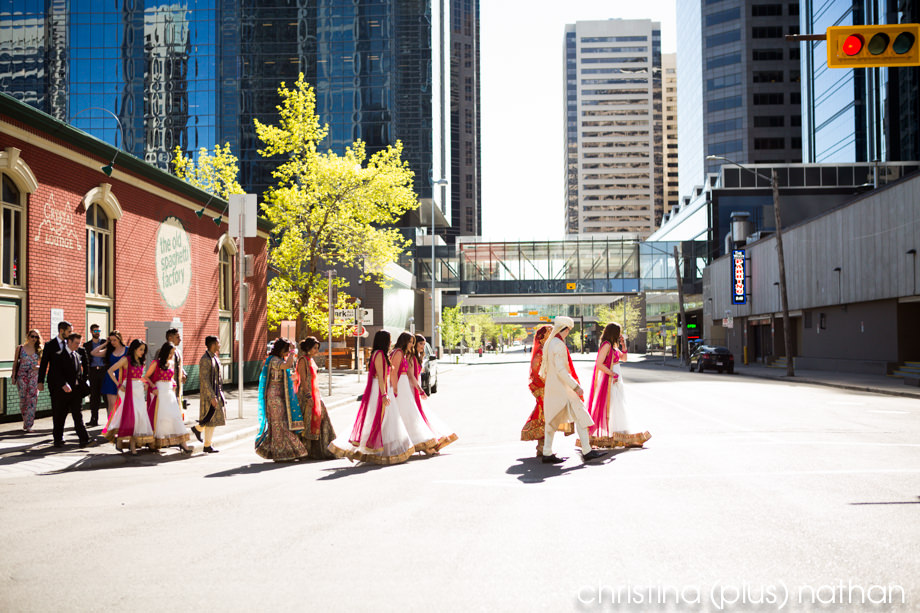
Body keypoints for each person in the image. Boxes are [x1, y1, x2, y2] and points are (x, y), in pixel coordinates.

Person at [328, 330, 414, 465]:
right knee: (374, 420)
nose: (391, 342)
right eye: (389, 339)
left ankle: (382, 450)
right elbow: (380, 376)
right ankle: (351, 449)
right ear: (384, 341)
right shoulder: (378, 354)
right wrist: (384, 394)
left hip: (383, 388)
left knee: (385, 420)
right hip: (380, 389)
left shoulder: (381, 354)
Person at [539, 316, 606, 464]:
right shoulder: (558, 345)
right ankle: (587, 451)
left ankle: (548, 452)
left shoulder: (550, 343)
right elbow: (562, 370)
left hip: (554, 387)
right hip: (564, 388)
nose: (569, 332)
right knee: (580, 415)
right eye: (569, 329)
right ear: (566, 329)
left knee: (553, 419)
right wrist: (576, 386)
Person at [586, 323, 651, 449]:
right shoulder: (606, 345)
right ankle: (614, 434)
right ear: (614, 333)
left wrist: (624, 345)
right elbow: (599, 364)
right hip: (610, 379)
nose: (620, 334)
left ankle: (619, 434)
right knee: (613, 405)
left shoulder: (613, 347)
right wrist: (612, 374)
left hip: (616, 378)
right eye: (619, 332)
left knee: (618, 404)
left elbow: (624, 359)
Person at [521, 324, 573, 457]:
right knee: (546, 416)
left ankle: (543, 446)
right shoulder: (540, 352)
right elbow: (536, 371)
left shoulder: (548, 349)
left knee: (549, 415)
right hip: (544, 388)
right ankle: (543, 446)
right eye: (550, 333)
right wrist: (548, 382)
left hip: (550, 387)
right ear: (543, 337)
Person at [255, 338, 311, 461]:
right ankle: (281, 452)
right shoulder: (274, 360)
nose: (287, 353)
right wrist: (292, 351)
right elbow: (287, 365)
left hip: (281, 394)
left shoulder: (278, 360)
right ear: (281, 349)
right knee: (279, 424)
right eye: (285, 350)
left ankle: (283, 451)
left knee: (283, 423)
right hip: (274, 397)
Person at [390, 332, 438, 455]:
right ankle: (419, 444)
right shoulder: (400, 353)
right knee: (410, 415)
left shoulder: (406, 354)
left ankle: (418, 444)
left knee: (410, 415)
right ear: (405, 342)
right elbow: (395, 372)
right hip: (403, 387)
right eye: (411, 342)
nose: (413, 344)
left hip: (405, 386)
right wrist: (395, 389)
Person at [104, 339, 154, 455]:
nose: (142, 352)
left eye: (144, 350)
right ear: (134, 349)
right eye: (140, 349)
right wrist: (118, 384)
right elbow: (110, 370)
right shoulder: (126, 360)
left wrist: (145, 383)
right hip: (127, 390)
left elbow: (139, 376)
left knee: (139, 415)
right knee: (132, 415)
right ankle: (132, 445)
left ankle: (128, 442)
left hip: (139, 390)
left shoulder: (141, 361)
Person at [412, 334, 457, 452]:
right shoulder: (411, 356)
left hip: (417, 387)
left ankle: (429, 442)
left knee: (421, 415)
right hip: (412, 389)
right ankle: (426, 442)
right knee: (419, 415)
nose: (423, 346)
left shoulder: (420, 356)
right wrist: (419, 388)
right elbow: (410, 375)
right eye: (421, 344)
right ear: (415, 344)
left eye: (424, 344)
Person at [145, 342, 191, 453]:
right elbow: (146, 377)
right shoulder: (155, 363)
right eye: (170, 353)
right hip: (160, 393)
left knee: (175, 417)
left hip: (170, 392)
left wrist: (174, 384)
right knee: (161, 419)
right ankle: (155, 442)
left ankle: (183, 443)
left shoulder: (171, 363)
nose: (171, 355)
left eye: (173, 353)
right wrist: (153, 386)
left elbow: (171, 378)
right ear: (165, 352)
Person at [295, 337, 337, 460]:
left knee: (322, 419)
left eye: (317, 348)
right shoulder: (303, 360)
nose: (316, 350)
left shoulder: (311, 360)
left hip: (315, 394)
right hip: (306, 395)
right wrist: (308, 396)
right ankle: (305, 451)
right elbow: (303, 380)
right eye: (315, 348)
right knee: (306, 422)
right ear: (308, 348)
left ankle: (322, 449)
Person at [51, 333, 92, 448]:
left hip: (76, 391)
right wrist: (63, 384)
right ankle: (58, 439)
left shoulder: (77, 355)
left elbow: (80, 372)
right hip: (63, 392)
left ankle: (84, 439)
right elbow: (55, 373)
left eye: (79, 343)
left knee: (78, 415)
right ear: (69, 341)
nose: (77, 346)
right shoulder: (59, 355)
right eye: (76, 343)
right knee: (60, 416)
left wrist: (84, 382)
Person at [37, 320, 72, 444]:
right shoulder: (50, 345)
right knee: (57, 409)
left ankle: (59, 433)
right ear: (61, 331)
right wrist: (40, 381)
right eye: (69, 331)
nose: (70, 334)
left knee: (65, 410)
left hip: (68, 383)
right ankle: (58, 437)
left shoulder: (70, 344)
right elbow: (44, 364)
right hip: (54, 383)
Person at [191, 336, 226, 453]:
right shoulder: (205, 359)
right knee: (209, 417)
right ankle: (201, 435)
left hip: (217, 392)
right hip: (209, 394)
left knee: (212, 419)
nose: (220, 345)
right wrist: (212, 396)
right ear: (213, 344)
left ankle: (205, 442)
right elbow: (204, 379)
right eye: (218, 343)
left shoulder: (214, 357)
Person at [92, 330, 127, 421]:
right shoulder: (109, 350)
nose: (112, 342)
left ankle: (120, 425)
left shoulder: (128, 350)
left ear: (119, 339)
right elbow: (93, 353)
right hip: (111, 379)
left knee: (122, 403)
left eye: (114, 340)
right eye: (111, 340)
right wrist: (105, 343)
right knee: (112, 404)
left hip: (123, 379)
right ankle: (110, 427)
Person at [12, 329, 42, 432]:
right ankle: (25, 420)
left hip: (34, 376)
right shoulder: (20, 348)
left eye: (36, 337)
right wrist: (13, 376)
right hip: (22, 376)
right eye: (32, 336)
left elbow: (45, 364)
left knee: (32, 399)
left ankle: (29, 424)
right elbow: (15, 362)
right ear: (28, 336)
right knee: (23, 400)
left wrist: (38, 367)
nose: (34, 339)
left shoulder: (39, 349)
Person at [82, 324, 106, 427]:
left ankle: (109, 420)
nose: (97, 333)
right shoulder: (87, 345)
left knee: (106, 396)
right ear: (91, 332)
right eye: (95, 331)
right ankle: (94, 419)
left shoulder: (105, 343)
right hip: (93, 372)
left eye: (98, 331)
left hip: (103, 371)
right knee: (94, 397)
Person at [165, 328, 186, 413]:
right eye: (177, 337)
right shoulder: (163, 351)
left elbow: (179, 365)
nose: (180, 340)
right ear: (170, 338)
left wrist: (184, 373)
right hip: (168, 387)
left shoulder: (178, 351)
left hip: (178, 387)